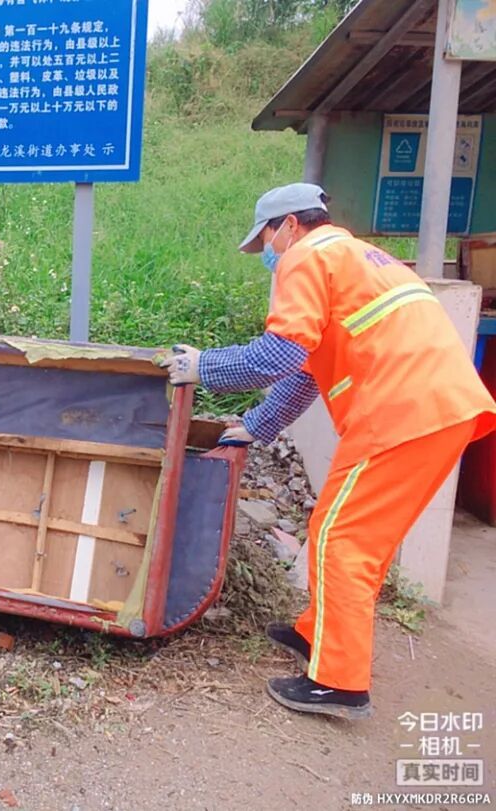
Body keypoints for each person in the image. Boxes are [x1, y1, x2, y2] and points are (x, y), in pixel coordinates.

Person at [158, 182, 496, 720]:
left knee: (343, 541)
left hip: (401, 413)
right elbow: (304, 371)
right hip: (435, 410)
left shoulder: (308, 256)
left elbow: (275, 357)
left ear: (289, 225)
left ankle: (339, 683)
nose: (266, 254)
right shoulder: (356, 258)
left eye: (265, 240)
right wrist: (255, 426)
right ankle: (317, 634)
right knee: (341, 532)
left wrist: (203, 366)